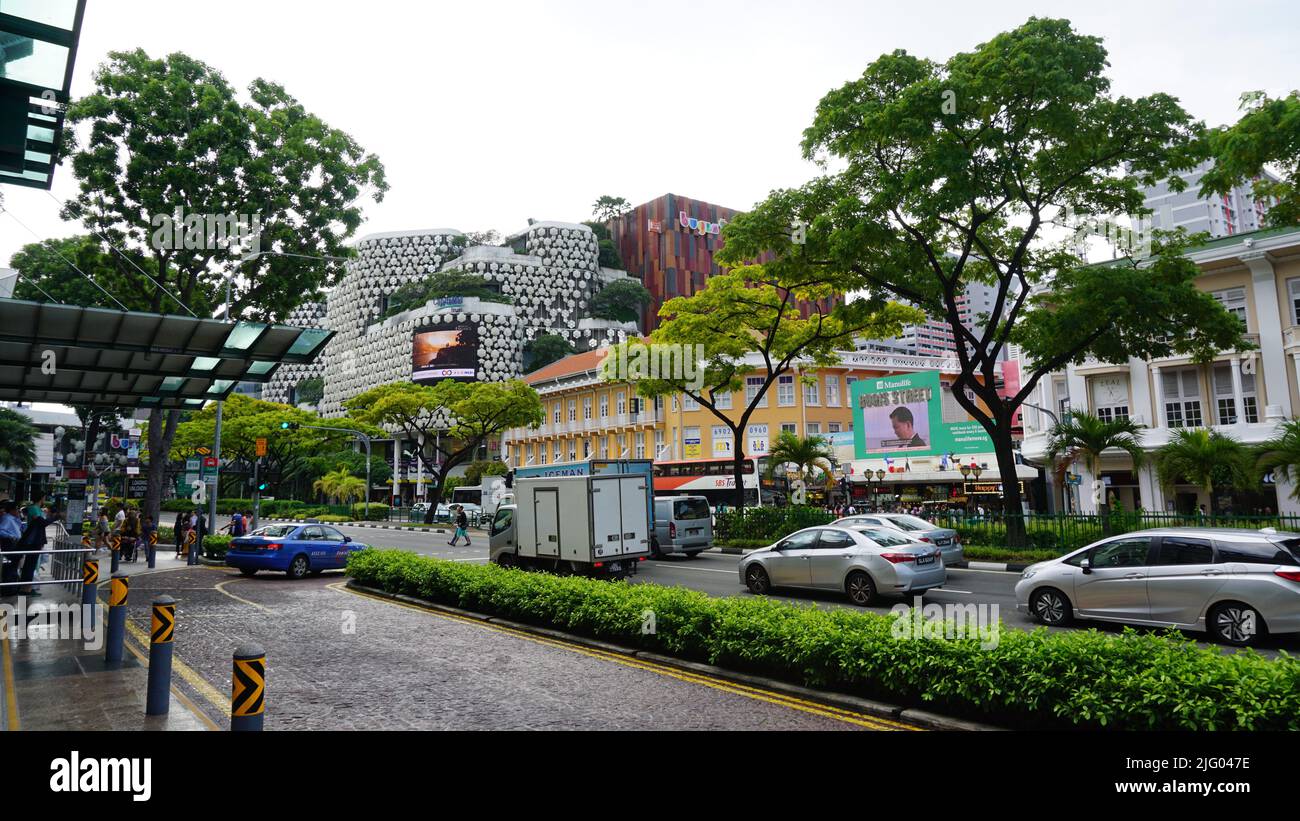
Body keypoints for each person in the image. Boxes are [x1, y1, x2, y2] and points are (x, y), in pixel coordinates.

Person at [0, 501, 23, 595]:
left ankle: (12, 588)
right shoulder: (7, 519)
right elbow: (0, 531)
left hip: (15, 544)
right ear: (12, 510)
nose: (18, 511)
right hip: (10, 545)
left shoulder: (13, 518)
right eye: (16, 509)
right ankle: (8, 589)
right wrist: (10, 536)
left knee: (13, 566)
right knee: (10, 567)